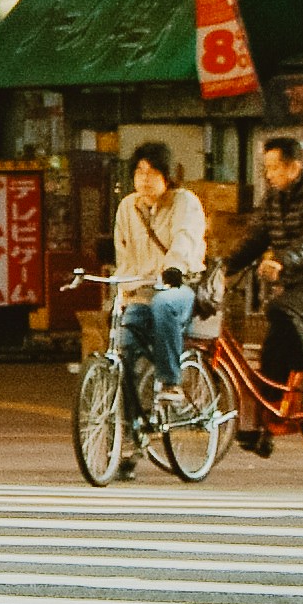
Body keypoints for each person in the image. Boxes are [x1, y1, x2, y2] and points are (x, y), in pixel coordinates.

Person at [223, 133, 303, 447]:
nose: (269, 174)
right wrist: (226, 267)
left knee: (281, 308)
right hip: (296, 282)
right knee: (272, 354)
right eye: (267, 168)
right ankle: (266, 426)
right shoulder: (274, 198)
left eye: (275, 168)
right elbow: (257, 238)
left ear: (294, 167)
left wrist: (283, 261)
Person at [109, 142, 211, 421]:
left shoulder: (184, 201)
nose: (145, 179)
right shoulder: (127, 207)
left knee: (164, 304)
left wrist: (174, 267)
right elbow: (125, 255)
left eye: (153, 172)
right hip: (142, 291)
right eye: (139, 172)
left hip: (181, 287)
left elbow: (184, 237)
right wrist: (123, 292)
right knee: (125, 347)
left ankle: (171, 382)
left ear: (167, 175)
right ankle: (131, 429)